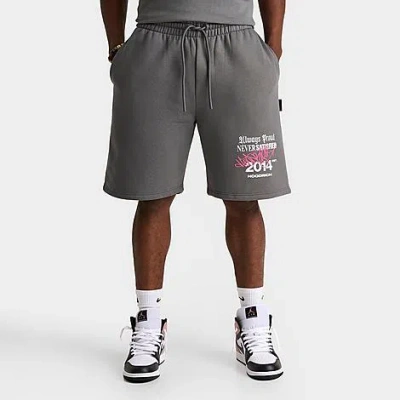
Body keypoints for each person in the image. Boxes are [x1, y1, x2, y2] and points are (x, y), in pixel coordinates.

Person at [101, 0, 290, 383]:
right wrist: (117, 48)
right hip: (155, 45)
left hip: (237, 48)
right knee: (152, 195)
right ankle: (148, 320)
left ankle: (252, 317)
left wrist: (273, 51)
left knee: (244, 196)